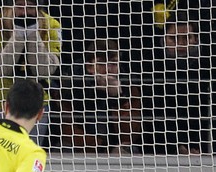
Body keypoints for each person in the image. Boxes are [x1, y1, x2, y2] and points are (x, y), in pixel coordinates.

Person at [0, 0, 61, 146]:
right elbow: (0, 69)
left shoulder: (52, 25)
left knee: (27, 153)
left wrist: (33, 36)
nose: (24, 13)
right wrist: (17, 36)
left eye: (29, 7)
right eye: (19, 6)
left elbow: (45, 70)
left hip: (35, 103)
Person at [140, 12, 212, 154]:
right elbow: (153, 114)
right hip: (160, 148)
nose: (180, 44)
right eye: (173, 38)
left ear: (196, 39)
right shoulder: (152, 69)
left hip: (205, 147)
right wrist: (175, 146)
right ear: (163, 40)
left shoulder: (208, 67)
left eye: (187, 38)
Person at [59, 39, 142, 154]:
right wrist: (102, 147)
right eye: (102, 63)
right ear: (90, 67)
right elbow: (68, 130)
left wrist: (119, 99)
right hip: (83, 147)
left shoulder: (129, 87)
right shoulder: (71, 86)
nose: (108, 69)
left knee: (130, 150)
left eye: (113, 63)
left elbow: (131, 135)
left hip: (117, 147)